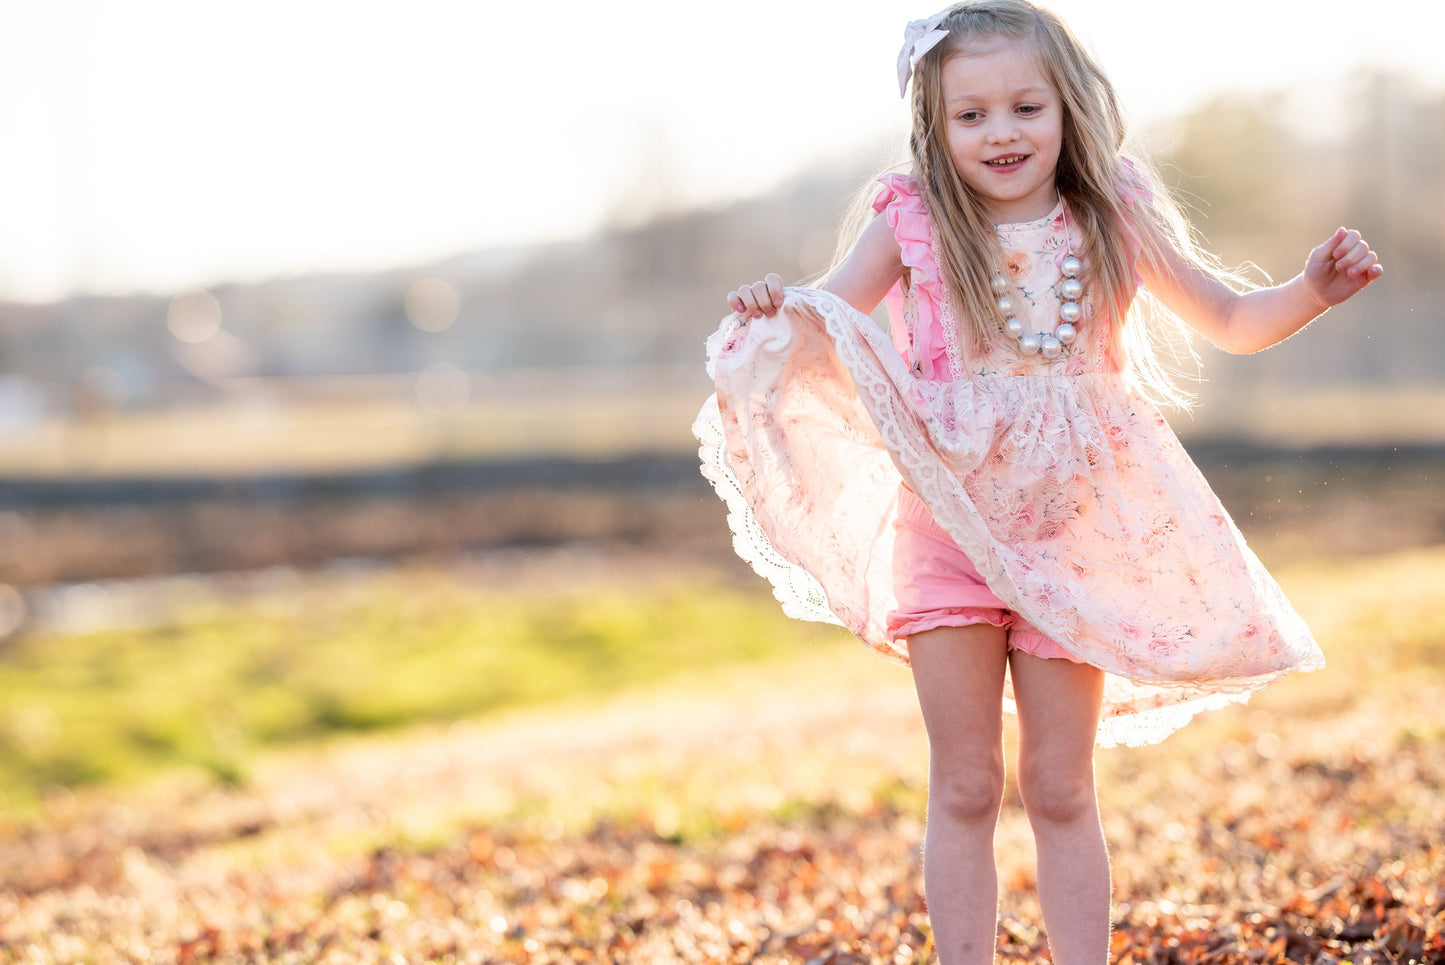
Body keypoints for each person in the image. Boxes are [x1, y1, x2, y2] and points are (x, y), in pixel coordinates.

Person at [695, 1, 1384, 962]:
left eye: (1024, 106)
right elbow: (825, 322)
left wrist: (1310, 289)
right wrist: (773, 308)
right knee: (967, 781)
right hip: (948, 528)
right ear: (934, 127)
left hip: (1078, 532)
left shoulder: (1111, 212)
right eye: (969, 115)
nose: (1000, 132)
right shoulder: (914, 220)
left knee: (1059, 782)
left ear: (1068, 105)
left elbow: (1229, 317)